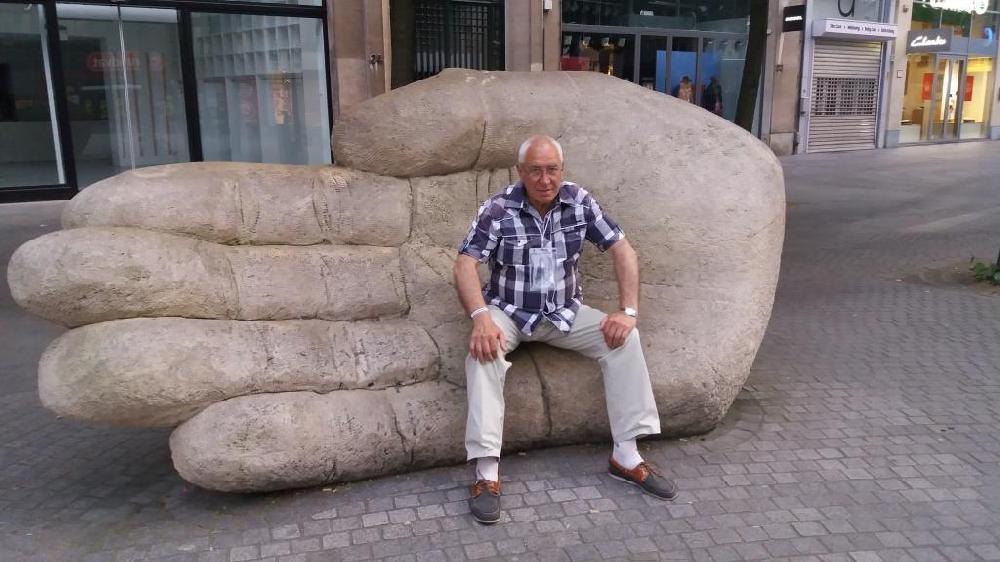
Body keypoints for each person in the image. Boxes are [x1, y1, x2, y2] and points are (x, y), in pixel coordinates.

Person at [453, 135, 677, 525]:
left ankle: (626, 455)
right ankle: (486, 472)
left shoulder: (580, 201)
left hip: (564, 313)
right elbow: (465, 263)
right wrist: (480, 317)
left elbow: (623, 250)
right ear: (520, 172)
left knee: (625, 341)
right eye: (535, 171)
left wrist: (627, 311)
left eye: (552, 170)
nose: (545, 179)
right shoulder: (498, 208)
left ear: (562, 170)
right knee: (483, 353)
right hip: (509, 312)